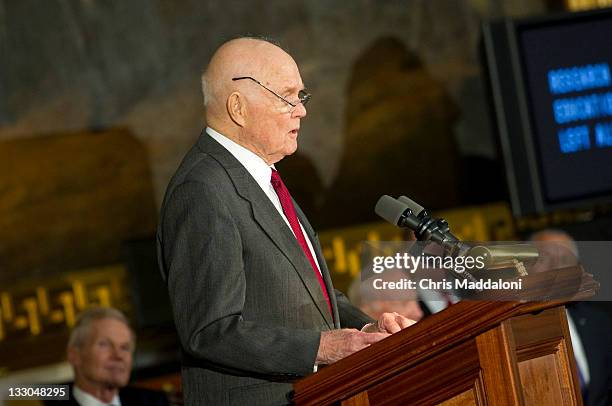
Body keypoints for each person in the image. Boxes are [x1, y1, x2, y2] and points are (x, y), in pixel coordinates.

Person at [156, 37, 415, 405]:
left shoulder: (261, 177)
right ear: (238, 108)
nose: (301, 111)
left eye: (302, 97)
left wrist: (367, 330)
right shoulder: (202, 189)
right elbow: (210, 330)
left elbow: (312, 294)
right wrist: (323, 347)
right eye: (287, 96)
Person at [530, 229, 612, 406]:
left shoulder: (598, 322)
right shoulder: (511, 328)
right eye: (545, 257)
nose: (557, 266)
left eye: (565, 259)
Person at [45, 306, 169, 406]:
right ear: (74, 355)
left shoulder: (155, 402)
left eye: (125, 347)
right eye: (105, 344)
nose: (119, 355)